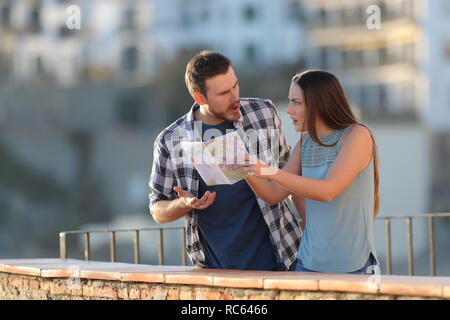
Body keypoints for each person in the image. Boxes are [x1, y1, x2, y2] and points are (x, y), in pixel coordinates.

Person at [149, 50, 302, 271]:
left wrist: (308, 227)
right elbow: (157, 209)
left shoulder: (264, 113)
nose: (234, 97)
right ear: (199, 98)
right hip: (218, 273)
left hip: (285, 259)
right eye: (223, 93)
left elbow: (290, 173)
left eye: (235, 86)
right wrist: (183, 204)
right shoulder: (171, 140)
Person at [240, 70, 380, 274]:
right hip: (307, 263)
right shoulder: (304, 143)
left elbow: (328, 191)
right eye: (290, 102)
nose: (289, 110)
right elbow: (273, 194)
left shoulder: (357, 135)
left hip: (354, 266)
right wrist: (243, 168)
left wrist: (269, 171)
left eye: (296, 102)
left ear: (319, 103)